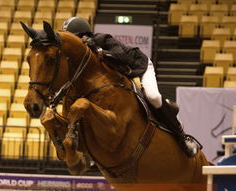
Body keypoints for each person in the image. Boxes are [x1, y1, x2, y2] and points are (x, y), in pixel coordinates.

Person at [61, 17, 202, 158]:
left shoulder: (103, 39)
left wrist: (98, 49)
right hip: (123, 75)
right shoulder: (83, 57)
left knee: (153, 97)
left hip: (139, 67)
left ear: (84, 36)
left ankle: (183, 136)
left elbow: (121, 56)